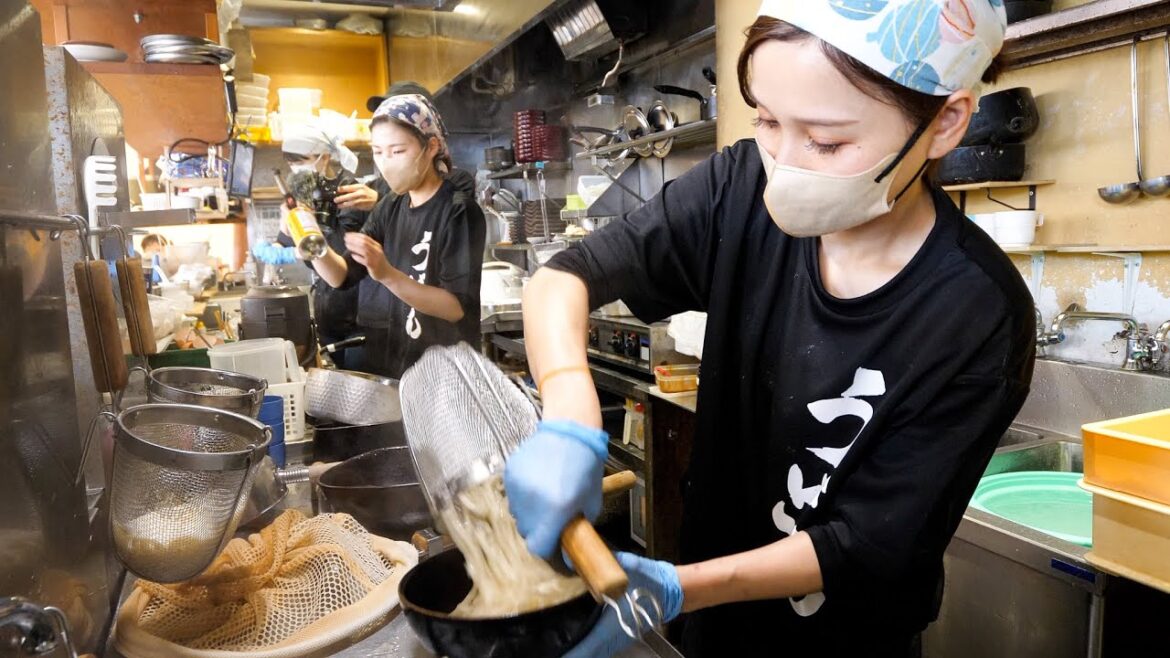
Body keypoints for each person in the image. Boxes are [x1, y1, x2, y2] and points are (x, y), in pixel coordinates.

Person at [505, 1, 1034, 656]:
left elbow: (867, 543)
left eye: (828, 140)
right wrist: (568, 409)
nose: (782, 162)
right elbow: (565, 277)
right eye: (766, 120)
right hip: (711, 626)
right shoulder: (738, 186)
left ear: (945, 122)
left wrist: (676, 587)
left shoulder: (975, 312)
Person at [309, 93, 486, 379]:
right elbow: (341, 277)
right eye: (378, 152)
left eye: (397, 151)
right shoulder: (391, 205)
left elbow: (456, 309)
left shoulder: (458, 211)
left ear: (431, 147)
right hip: (402, 373)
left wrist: (387, 274)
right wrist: (311, 243)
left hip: (451, 380)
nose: (386, 164)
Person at [259, 125, 374, 368]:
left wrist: (309, 226)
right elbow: (283, 243)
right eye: (291, 163)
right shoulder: (306, 194)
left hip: (356, 315)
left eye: (302, 161)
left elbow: (342, 256)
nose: (296, 169)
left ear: (325, 157)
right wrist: (278, 241)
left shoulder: (350, 192)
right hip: (327, 310)